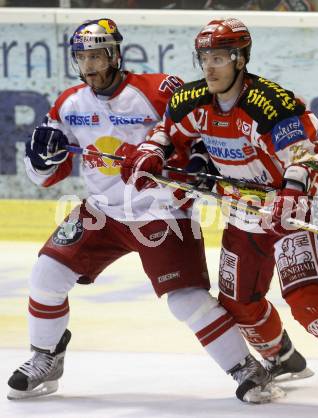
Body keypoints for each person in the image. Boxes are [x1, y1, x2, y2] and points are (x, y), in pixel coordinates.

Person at [7, 18, 278, 404]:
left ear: (115, 55)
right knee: (45, 276)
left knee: (185, 299)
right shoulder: (69, 104)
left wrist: (201, 162)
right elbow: (44, 177)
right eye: (82, 58)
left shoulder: (159, 90)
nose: (90, 67)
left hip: (163, 212)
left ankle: (246, 368)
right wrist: (39, 160)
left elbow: (202, 130)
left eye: (98, 56)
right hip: (102, 214)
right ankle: (45, 357)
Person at [142, 18, 318, 409]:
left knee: (308, 299)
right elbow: (168, 134)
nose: (209, 68)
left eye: (218, 58)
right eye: (203, 59)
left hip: (289, 213)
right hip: (243, 214)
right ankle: (282, 357)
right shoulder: (190, 101)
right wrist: (154, 154)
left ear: (240, 59)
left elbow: (306, 153)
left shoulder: (269, 103)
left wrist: (292, 193)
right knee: (239, 304)